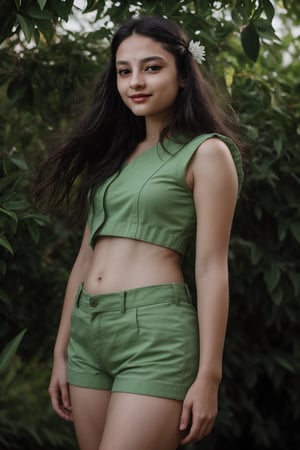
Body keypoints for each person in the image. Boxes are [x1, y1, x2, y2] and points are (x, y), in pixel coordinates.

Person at [35, 15, 244, 450]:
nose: (136, 82)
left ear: (183, 75)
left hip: (155, 332)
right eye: (124, 71)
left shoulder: (206, 153)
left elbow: (210, 267)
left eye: (152, 67)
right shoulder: (115, 158)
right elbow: (84, 259)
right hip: (88, 332)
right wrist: (61, 351)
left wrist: (209, 376)